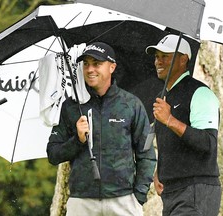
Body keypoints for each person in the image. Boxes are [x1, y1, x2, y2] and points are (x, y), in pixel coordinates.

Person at [47, 42, 156, 216]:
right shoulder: (71, 106)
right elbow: (53, 154)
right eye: (86, 64)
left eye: (96, 64)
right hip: (81, 202)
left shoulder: (131, 104)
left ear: (112, 67)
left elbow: (147, 153)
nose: (90, 69)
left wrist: (138, 196)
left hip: (124, 200)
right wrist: (78, 140)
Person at [145, 34, 221, 216]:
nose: (159, 61)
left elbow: (208, 144)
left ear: (183, 59)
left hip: (195, 190)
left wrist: (170, 120)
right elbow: (170, 143)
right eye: (157, 56)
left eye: (166, 56)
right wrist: (159, 171)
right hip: (172, 191)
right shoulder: (164, 95)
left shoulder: (200, 93)